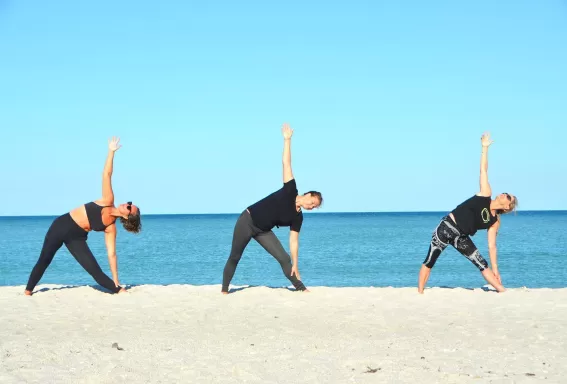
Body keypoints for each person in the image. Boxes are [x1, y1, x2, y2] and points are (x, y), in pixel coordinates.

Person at [24, 137, 141, 296]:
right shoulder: (107, 200)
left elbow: (111, 253)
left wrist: (116, 278)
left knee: (95, 271)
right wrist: (111, 152)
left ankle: (119, 290)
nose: (126, 204)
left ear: (127, 217)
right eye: (129, 203)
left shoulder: (110, 228)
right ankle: (28, 291)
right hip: (62, 225)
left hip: (77, 238)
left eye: (129, 208)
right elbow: (106, 174)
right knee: (44, 260)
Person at [221, 123, 323, 294]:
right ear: (307, 194)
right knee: (235, 256)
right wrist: (287, 140)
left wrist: (296, 264)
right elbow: (286, 163)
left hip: (263, 231)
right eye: (312, 202)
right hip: (247, 220)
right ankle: (224, 290)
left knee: (284, 258)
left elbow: (293, 241)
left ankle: (300, 288)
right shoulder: (291, 189)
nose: (312, 206)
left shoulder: (298, 218)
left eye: (314, 207)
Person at [418, 132, 517, 294]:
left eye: (507, 196)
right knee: (430, 261)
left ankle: (501, 290)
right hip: (446, 227)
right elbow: (483, 170)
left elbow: (492, 246)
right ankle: (420, 293)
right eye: (505, 192)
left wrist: (496, 269)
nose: (503, 194)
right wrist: (484, 148)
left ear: (507, 207)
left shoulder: (494, 221)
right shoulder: (486, 193)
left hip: (461, 237)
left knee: (481, 263)